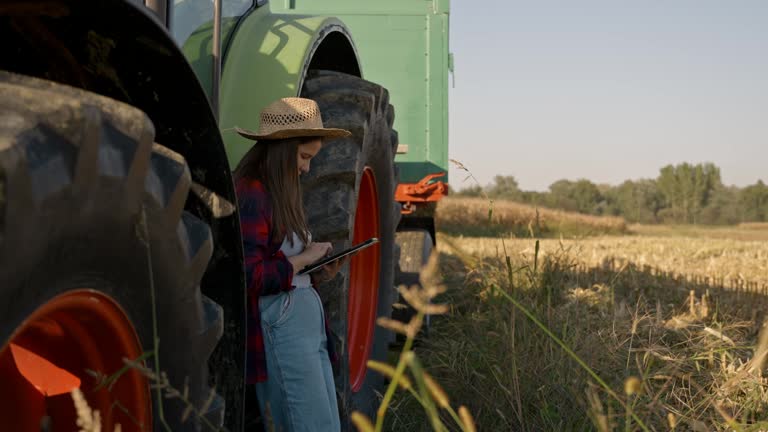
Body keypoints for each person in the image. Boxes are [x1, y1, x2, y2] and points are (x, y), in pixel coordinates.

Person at [233, 97, 351, 432]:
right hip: (282, 323)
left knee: (325, 424)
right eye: (303, 157)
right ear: (282, 150)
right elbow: (249, 276)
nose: (306, 168)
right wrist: (303, 258)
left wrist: (315, 270)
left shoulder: (277, 192)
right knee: (308, 425)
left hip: (301, 318)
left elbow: (279, 265)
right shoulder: (252, 193)